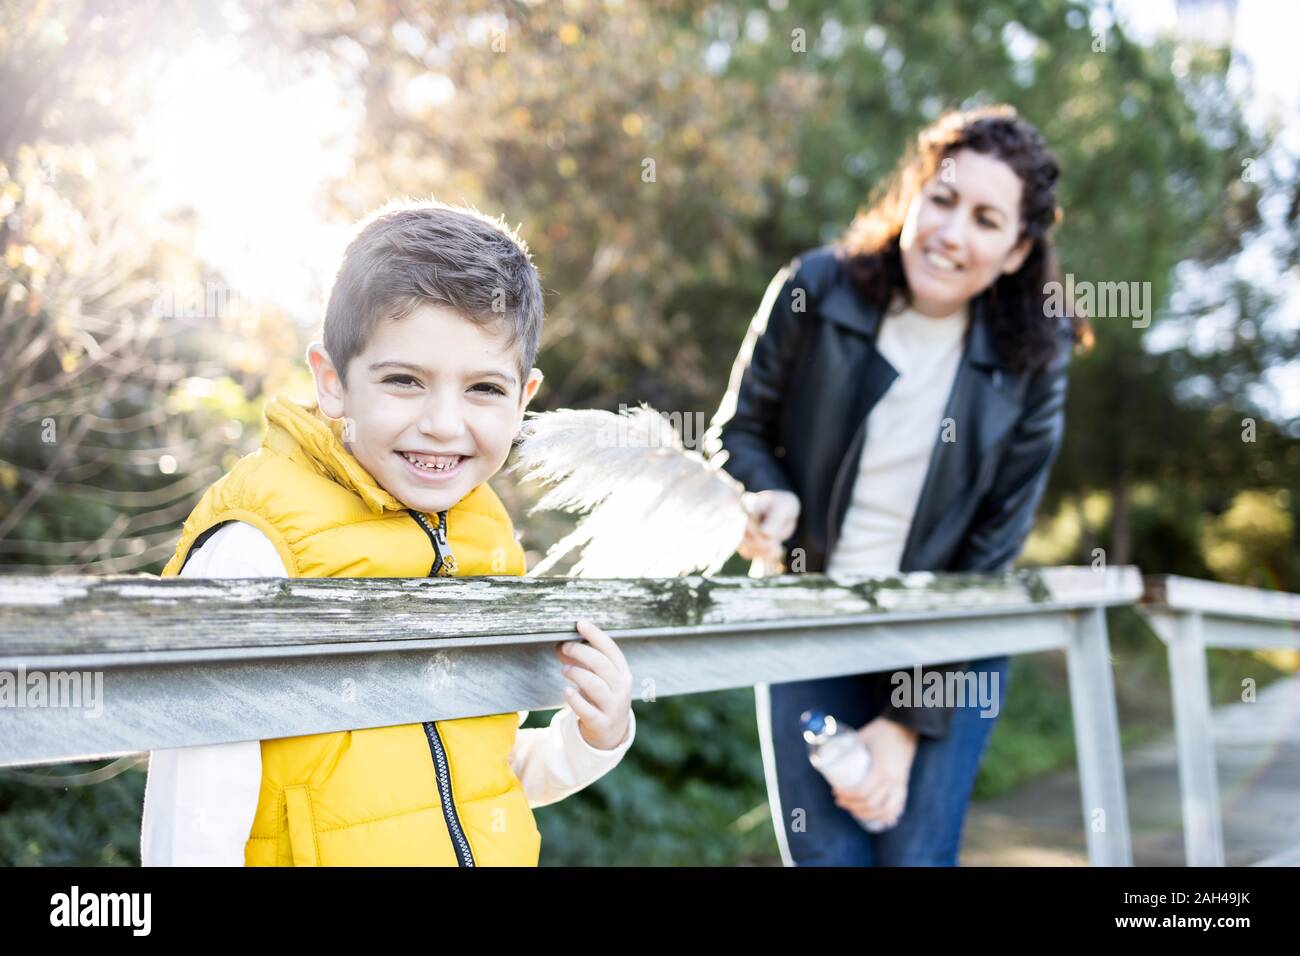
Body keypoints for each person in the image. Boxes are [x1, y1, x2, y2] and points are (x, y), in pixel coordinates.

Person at [141, 200, 635, 866]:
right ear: (333, 383)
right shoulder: (257, 546)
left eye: (484, 389)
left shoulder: (485, 536)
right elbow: (193, 821)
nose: (442, 422)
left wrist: (592, 736)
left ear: (524, 399)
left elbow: (477, 772)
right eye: (404, 380)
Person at [705, 105, 1091, 866]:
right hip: (803, 619)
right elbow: (736, 433)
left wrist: (906, 722)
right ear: (913, 195)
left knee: (915, 857)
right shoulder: (814, 287)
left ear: (1016, 251)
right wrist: (762, 492)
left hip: (953, 635)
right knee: (827, 860)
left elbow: (992, 553)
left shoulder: (1035, 361)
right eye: (942, 199)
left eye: (985, 219)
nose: (951, 232)